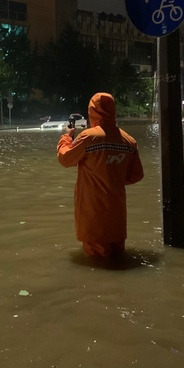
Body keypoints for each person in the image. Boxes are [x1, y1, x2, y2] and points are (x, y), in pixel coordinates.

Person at [57, 92, 144, 258]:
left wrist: (66, 136)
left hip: (93, 214)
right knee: (118, 258)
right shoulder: (128, 141)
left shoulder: (89, 137)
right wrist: (112, 176)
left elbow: (65, 159)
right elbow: (137, 175)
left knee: (97, 264)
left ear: (92, 112)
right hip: (117, 216)